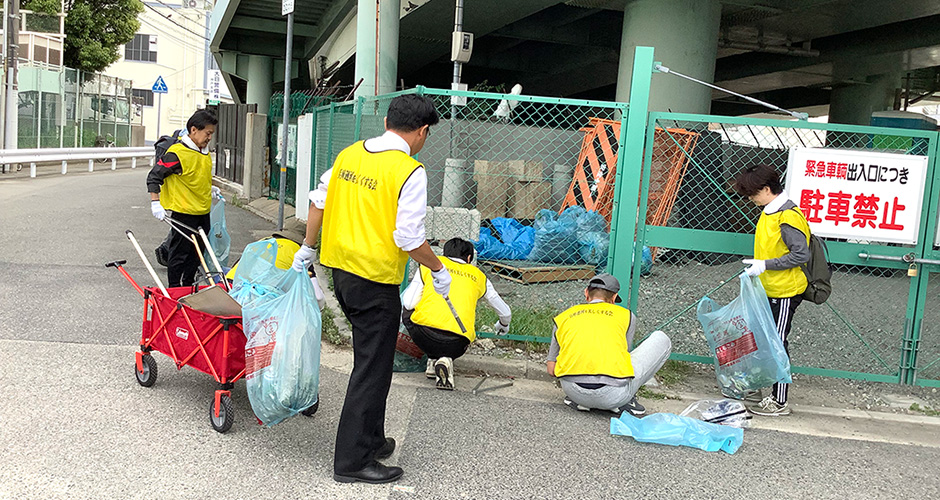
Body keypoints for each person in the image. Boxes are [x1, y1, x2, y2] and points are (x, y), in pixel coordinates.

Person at [291, 94, 448, 485]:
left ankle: (372, 439)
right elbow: (409, 237)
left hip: (341, 273)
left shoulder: (350, 155)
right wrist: (438, 269)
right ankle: (352, 461)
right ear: (422, 131)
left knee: (372, 362)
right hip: (375, 281)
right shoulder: (410, 170)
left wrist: (307, 248)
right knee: (372, 369)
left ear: (387, 121)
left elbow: (317, 202)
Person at [733, 163, 811, 417]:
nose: (750, 198)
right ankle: (755, 389)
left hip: (786, 290)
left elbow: (801, 255)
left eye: (752, 193)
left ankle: (779, 401)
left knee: (776, 342)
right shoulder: (771, 211)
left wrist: (764, 265)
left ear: (767, 189)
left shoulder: (787, 216)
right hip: (768, 287)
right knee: (761, 339)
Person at [546, 273, 671, 416]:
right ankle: (625, 402)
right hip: (613, 395)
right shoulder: (626, 315)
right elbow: (623, 357)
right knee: (661, 338)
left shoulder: (564, 316)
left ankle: (583, 402)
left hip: (573, 392)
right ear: (613, 298)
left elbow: (551, 370)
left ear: (586, 293)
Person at [401, 237, 512, 390]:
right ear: (468, 258)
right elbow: (505, 312)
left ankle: (433, 359)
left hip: (424, 336)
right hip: (458, 343)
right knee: (456, 331)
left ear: (445, 253)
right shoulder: (479, 275)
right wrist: (503, 325)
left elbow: (408, 302)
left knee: (409, 311)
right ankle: (445, 358)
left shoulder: (429, 266)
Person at [146, 109, 221, 287]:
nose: (209, 138)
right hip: (184, 213)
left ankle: (188, 287)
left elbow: (196, 176)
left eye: (211, 134)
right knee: (180, 254)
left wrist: (210, 189)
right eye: (207, 133)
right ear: (193, 130)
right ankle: (174, 289)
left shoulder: (204, 152)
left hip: (203, 211)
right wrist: (155, 203)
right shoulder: (177, 154)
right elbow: (154, 176)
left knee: (198, 254)